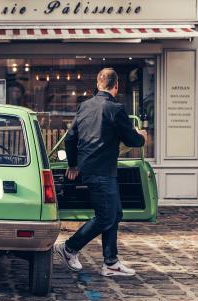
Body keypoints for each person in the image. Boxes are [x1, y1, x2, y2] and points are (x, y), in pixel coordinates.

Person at [54, 68, 147, 277]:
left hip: (88, 169)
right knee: (106, 216)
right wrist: (142, 136)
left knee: (114, 214)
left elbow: (70, 139)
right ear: (116, 86)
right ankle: (69, 248)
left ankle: (111, 262)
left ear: (98, 84)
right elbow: (131, 140)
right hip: (103, 171)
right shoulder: (115, 109)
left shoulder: (84, 106)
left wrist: (73, 164)